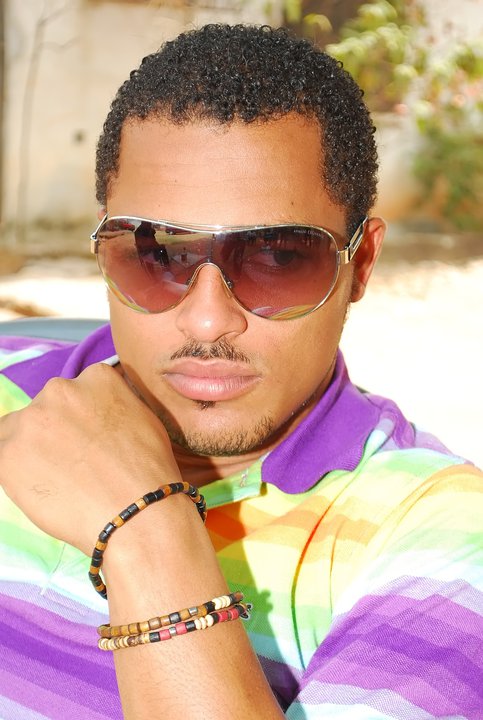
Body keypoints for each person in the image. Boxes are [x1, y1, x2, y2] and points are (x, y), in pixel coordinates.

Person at [0, 23, 482, 720]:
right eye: (156, 253)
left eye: (279, 256)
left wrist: (144, 531)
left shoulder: (437, 536)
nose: (206, 322)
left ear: (361, 265)